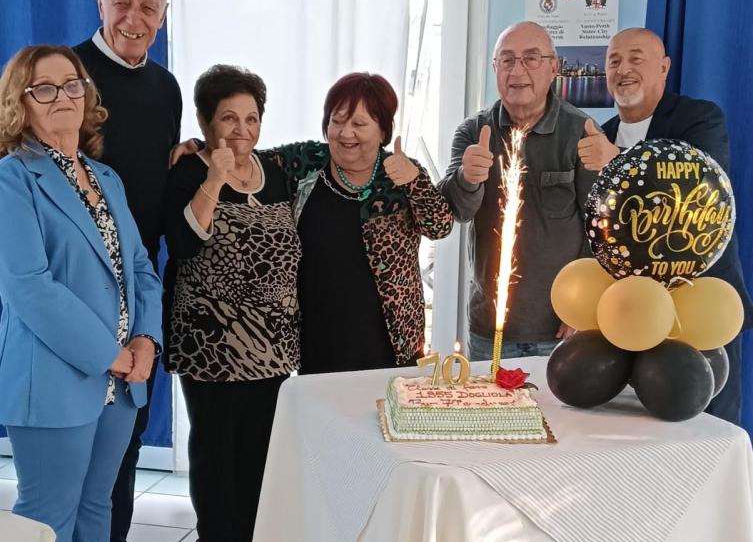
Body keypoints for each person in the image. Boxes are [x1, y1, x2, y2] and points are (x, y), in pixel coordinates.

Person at [0, 45, 163, 542]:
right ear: (20, 103)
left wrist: (146, 339)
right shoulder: (13, 179)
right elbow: (29, 288)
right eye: (44, 88)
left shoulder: (106, 177)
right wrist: (109, 353)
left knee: (96, 507)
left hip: (121, 380)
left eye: (71, 84)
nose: (62, 97)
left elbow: (141, 267)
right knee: (49, 514)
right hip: (55, 377)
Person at [178, 72, 454, 374]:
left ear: (383, 130)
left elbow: (440, 226)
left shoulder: (400, 171)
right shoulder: (306, 162)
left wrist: (415, 181)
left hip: (393, 344)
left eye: (359, 124)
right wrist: (201, 145)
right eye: (337, 121)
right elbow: (245, 154)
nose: (345, 133)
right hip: (318, 343)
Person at [163, 66, 301, 542]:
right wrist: (213, 179)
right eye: (228, 118)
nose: (242, 129)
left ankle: (249, 539)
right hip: (210, 340)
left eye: (251, 118)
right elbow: (183, 244)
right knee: (215, 445)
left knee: (259, 444)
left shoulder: (278, 171)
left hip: (273, 342)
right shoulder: (188, 171)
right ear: (205, 122)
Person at [74, 0, 182, 542]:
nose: (134, 19)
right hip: (74, 287)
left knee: (127, 431)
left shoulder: (165, 88)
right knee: (74, 435)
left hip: (139, 286)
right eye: (122, 2)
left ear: (163, 15)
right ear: (99, 3)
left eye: (148, 6)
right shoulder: (65, 77)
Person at [576, 26, 753, 424]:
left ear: (664, 67)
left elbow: (697, 186)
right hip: (629, 313)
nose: (623, 69)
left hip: (700, 305)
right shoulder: (601, 135)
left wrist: (617, 160)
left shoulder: (699, 118)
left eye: (636, 58)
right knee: (636, 426)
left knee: (710, 425)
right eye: (614, 61)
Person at [439, 21, 597, 361]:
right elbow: (453, 212)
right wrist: (467, 178)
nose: (517, 70)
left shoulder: (582, 132)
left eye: (531, 58)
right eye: (507, 60)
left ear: (554, 68)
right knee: (486, 399)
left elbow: (601, 228)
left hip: (561, 329)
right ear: (495, 68)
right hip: (489, 328)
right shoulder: (472, 132)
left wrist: (583, 304)